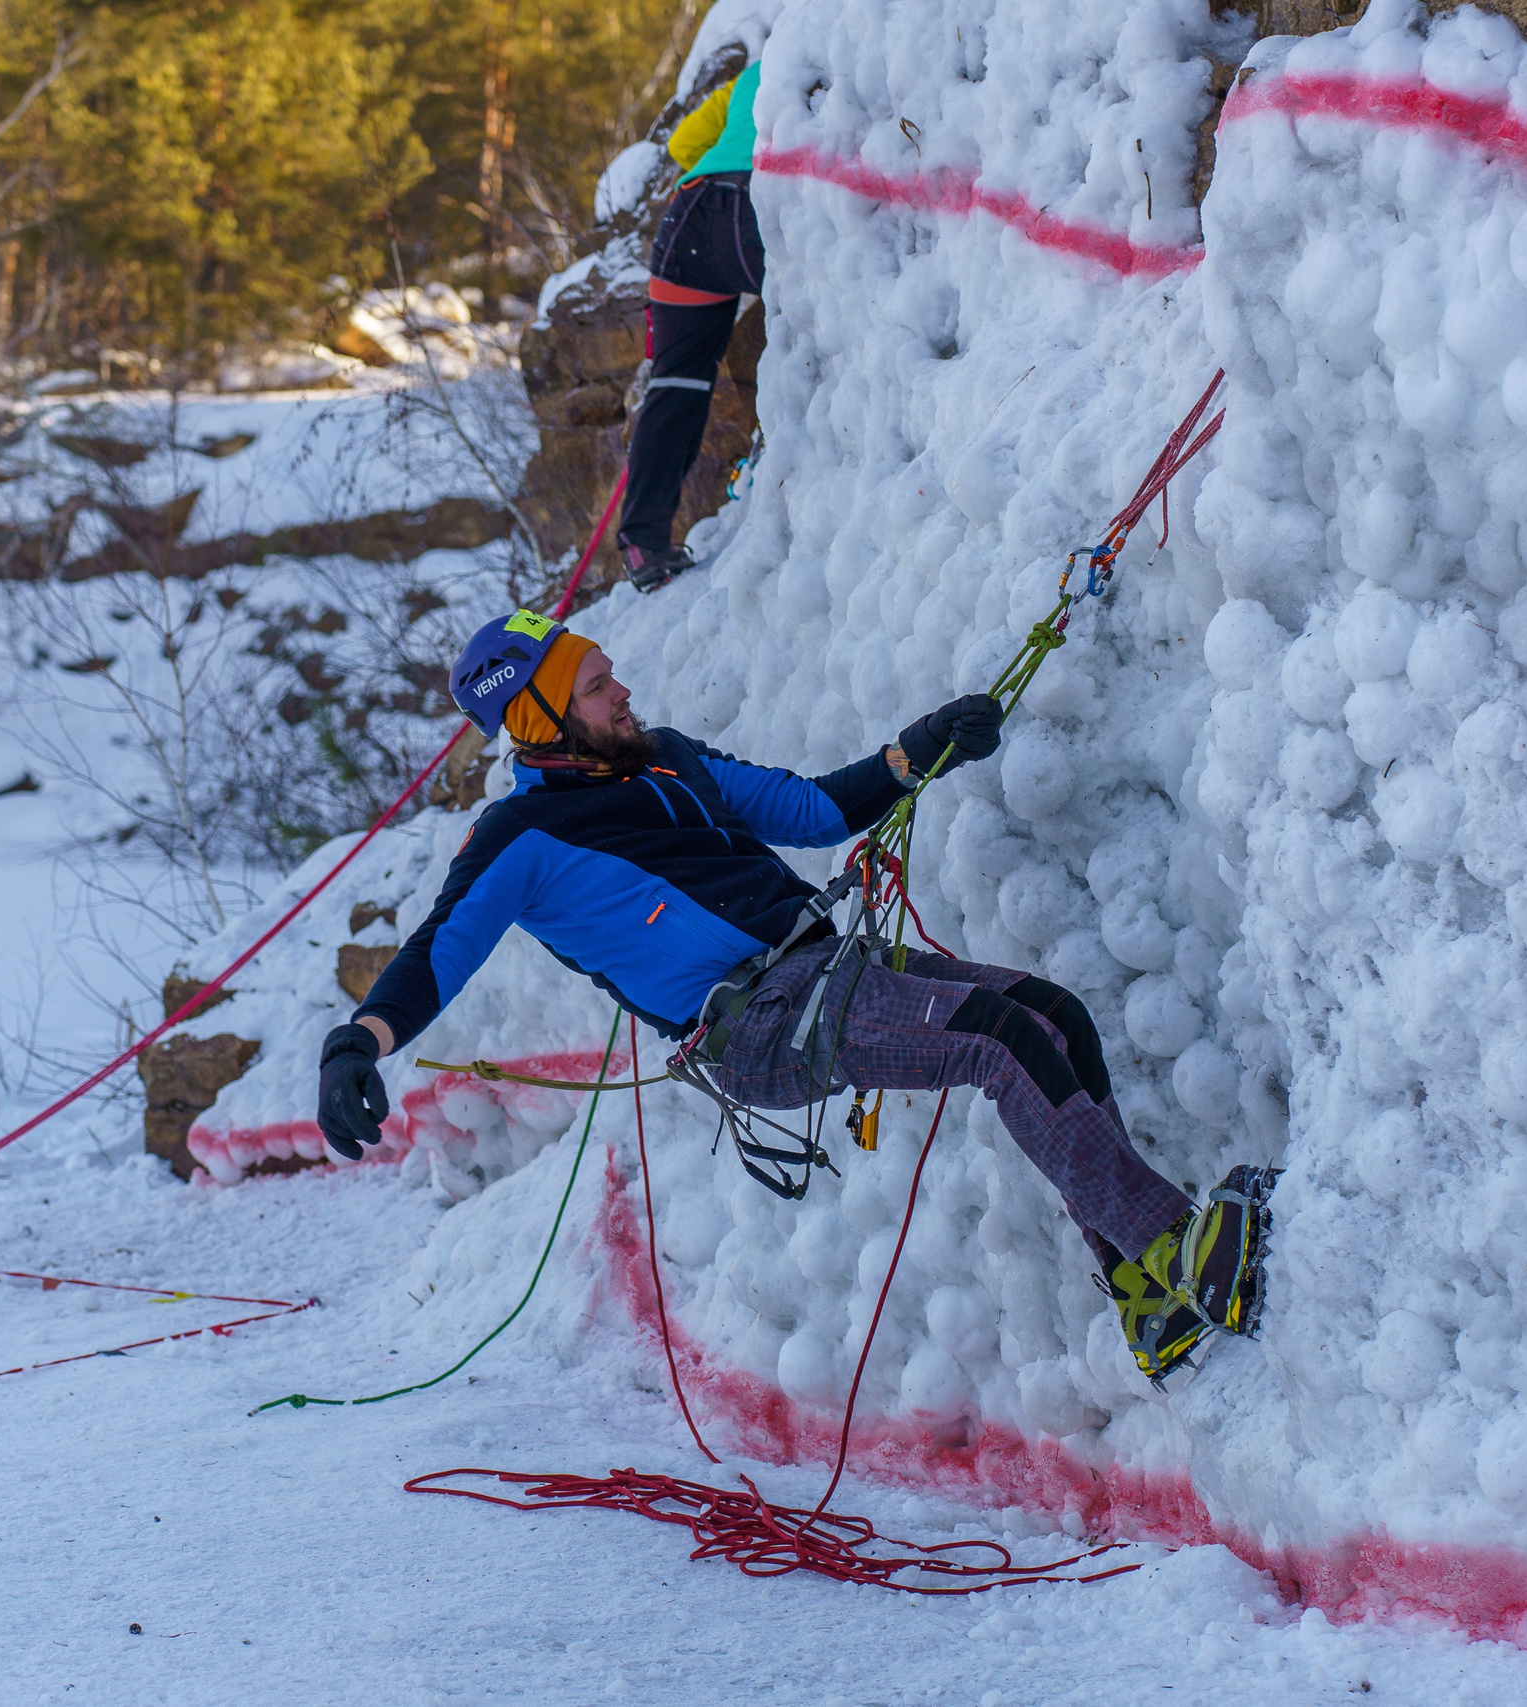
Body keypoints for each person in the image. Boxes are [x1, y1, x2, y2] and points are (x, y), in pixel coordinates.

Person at [315, 609, 1275, 1381]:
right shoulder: (520, 838)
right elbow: (438, 949)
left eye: (611, 674)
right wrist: (361, 1040)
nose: (623, 690)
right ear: (538, 716)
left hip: (825, 967)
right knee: (998, 1039)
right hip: (757, 1025)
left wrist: (922, 746)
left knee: (1050, 1016)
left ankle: (1148, 1297)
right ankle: (1178, 1248)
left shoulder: (671, 756)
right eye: (597, 685)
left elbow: (812, 808)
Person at [618, 62, 767, 593]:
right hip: (766, 203)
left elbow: (684, 142)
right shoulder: (828, 49)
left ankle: (644, 543)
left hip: (695, 215)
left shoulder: (753, 71)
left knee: (677, 381)